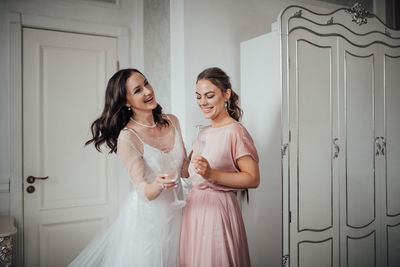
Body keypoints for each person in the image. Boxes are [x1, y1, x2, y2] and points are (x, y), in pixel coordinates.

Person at [69, 68, 189, 267]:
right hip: (150, 221)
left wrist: (200, 158)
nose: (148, 91)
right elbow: (144, 192)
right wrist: (158, 184)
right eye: (138, 90)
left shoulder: (172, 121)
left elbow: (184, 170)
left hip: (180, 211)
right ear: (126, 101)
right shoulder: (128, 137)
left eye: (147, 83)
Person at [179, 67, 260, 267]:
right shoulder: (203, 132)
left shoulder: (236, 132)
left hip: (218, 212)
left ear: (226, 94)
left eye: (209, 96)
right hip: (194, 210)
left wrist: (212, 174)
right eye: (198, 97)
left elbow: (253, 178)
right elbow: (188, 172)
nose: (202, 103)